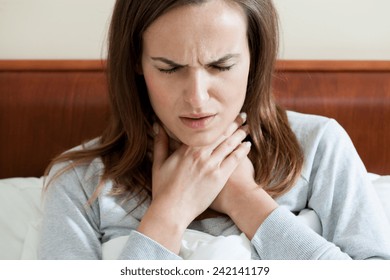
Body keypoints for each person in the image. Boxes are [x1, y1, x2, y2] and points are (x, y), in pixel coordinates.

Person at [38, 0, 390, 260]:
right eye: (169, 68)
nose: (197, 98)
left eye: (221, 66)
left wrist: (246, 201)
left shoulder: (319, 147)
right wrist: (168, 215)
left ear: (255, 57)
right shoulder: (78, 181)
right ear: (136, 62)